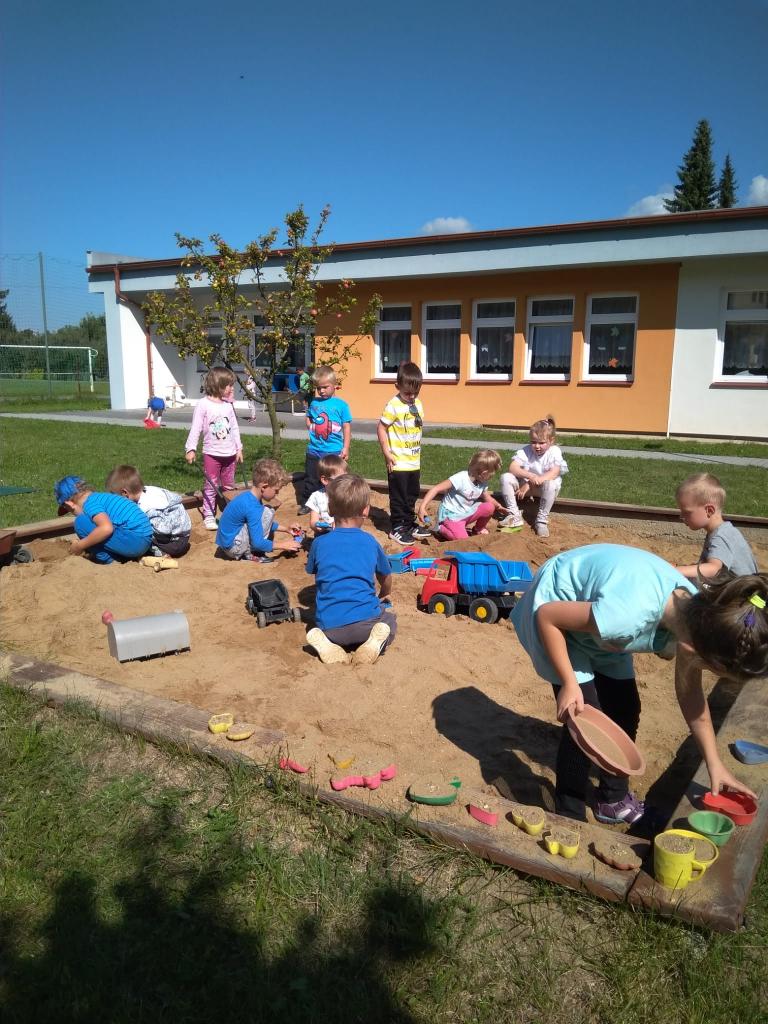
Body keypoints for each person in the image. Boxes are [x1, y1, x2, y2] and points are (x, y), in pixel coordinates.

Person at [511, 543, 767, 824]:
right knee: (584, 721)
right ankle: (569, 812)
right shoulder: (627, 616)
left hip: (600, 627)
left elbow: (691, 697)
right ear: (692, 649)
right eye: (711, 669)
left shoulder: (698, 616)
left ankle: (612, 799)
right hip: (556, 610)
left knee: (625, 709)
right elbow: (547, 616)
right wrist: (569, 683)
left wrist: (714, 763)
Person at [305, 474, 396, 666]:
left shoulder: (319, 543)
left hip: (329, 627)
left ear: (330, 509)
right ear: (365, 510)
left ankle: (327, 644)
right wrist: (384, 593)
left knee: (323, 616)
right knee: (389, 620)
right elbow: (386, 576)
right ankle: (372, 645)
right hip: (366, 625)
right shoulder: (370, 541)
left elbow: (316, 574)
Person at [377, 361, 431, 545]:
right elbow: (381, 428)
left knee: (411, 494)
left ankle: (408, 524)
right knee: (399, 496)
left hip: (413, 460)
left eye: (416, 392)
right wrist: (387, 452)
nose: (412, 396)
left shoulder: (418, 404)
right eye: (408, 393)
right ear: (397, 386)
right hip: (398, 461)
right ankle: (398, 527)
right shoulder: (393, 405)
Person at [185, 367, 243, 531]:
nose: (231, 388)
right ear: (218, 385)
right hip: (212, 453)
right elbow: (196, 427)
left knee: (229, 486)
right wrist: (191, 448)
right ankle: (209, 515)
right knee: (211, 485)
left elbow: (234, 428)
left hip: (230, 454)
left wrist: (239, 448)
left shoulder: (228, 405)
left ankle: (230, 513)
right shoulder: (203, 404)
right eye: (229, 385)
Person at [673, 473, 759, 580]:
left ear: (709, 510)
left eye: (686, 512)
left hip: (742, 590)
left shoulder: (721, 536)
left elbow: (713, 569)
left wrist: (675, 570)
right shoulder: (720, 531)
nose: (681, 516)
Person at [215, 458, 302, 562]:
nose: (277, 494)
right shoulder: (253, 507)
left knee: (265, 513)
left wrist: (286, 529)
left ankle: (246, 549)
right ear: (264, 487)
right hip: (233, 548)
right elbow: (257, 543)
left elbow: (261, 522)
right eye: (276, 490)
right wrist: (283, 545)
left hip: (228, 542)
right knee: (268, 512)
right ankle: (250, 554)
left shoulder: (249, 497)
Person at [54, 475, 152, 565]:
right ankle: (122, 556)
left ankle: (111, 562)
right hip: (144, 539)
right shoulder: (100, 498)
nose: (73, 514)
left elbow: (106, 528)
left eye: (70, 511)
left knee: (80, 523)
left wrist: (79, 546)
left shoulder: (90, 504)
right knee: (92, 529)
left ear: (69, 504)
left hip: (135, 541)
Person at [500, 415, 568, 538]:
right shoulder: (526, 451)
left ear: (551, 441)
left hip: (544, 490)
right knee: (506, 477)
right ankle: (514, 515)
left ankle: (541, 521)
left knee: (550, 484)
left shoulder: (554, 451)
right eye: (533, 442)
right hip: (525, 489)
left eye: (541, 443)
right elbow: (513, 467)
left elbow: (554, 472)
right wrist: (530, 476)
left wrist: (530, 483)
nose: (537, 446)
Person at [417, 449, 507, 540]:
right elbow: (436, 489)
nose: (491, 478)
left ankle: (478, 529)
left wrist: (499, 506)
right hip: (451, 516)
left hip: (465, 513)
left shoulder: (481, 482)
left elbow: (487, 497)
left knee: (489, 507)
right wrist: (422, 507)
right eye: (491, 475)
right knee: (463, 540)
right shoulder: (461, 478)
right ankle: (440, 528)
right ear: (484, 473)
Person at [105, 465, 192, 558]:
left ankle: (160, 552)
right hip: (183, 530)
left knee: (141, 538)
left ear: (125, 493)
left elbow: (164, 530)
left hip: (175, 542)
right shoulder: (149, 490)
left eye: (117, 498)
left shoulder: (148, 508)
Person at [298, 366, 351, 515]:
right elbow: (309, 416)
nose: (321, 391)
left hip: (333, 450)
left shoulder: (341, 405)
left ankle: (336, 502)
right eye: (318, 388)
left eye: (325, 387)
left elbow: (346, 427)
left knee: (334, 478)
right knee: (311, 478)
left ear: (335, 385)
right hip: (314, 449)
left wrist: (345, 447)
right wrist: (310, 425)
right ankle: (308, 503)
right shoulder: (314, 403)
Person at [305, 454, 347, 534]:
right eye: (340, 479)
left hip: (342, 533)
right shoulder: (316, 497)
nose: (344, 482)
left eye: (346, 478)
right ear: (325, 480)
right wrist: (317, 526)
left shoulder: (347, 495)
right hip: (324, 534)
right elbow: (313, 522)